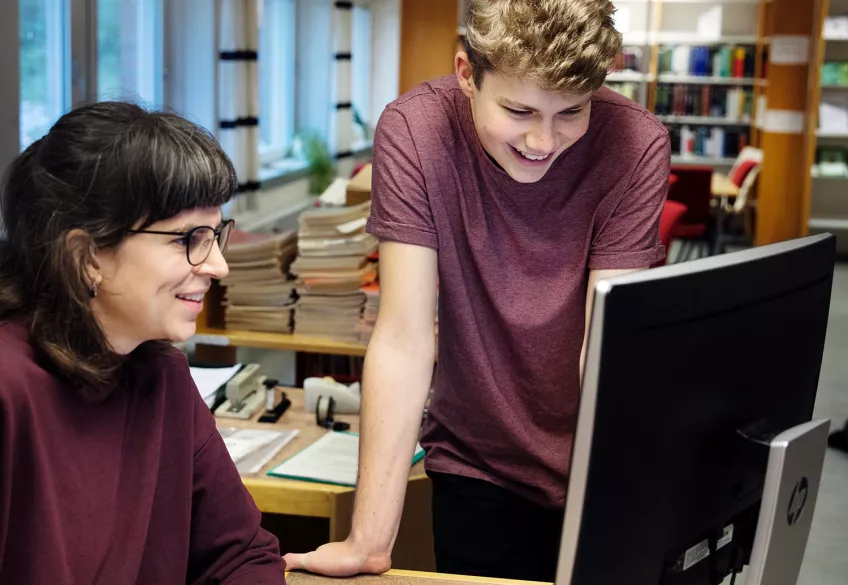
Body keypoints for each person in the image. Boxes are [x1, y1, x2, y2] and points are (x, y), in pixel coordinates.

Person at [284, 0, 670, 581]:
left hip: (600, 468)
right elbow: (404, 337)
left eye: (571, 112)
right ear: (468, 74)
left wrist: (621, 495)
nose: (544, 140)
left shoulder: (635, 144)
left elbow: (606, 347)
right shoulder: (416, 131)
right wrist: (368, 540)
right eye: (518, 110)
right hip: (477, 463)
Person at [0, 102, 287, 584]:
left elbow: (240, 556)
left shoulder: (161, 373)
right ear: (85, 254)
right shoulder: (10, 389)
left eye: (217, 234)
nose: (218, 265)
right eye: (187, 239)